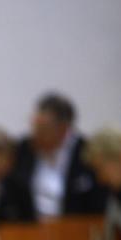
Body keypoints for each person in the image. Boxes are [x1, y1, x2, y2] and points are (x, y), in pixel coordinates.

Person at [13, 93, 106, 222]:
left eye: (43, 130)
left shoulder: (87, 153)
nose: (36, 136)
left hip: (75, 226)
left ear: (63, 129)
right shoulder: (24, 149)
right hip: (31, 227)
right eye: (34, 128)